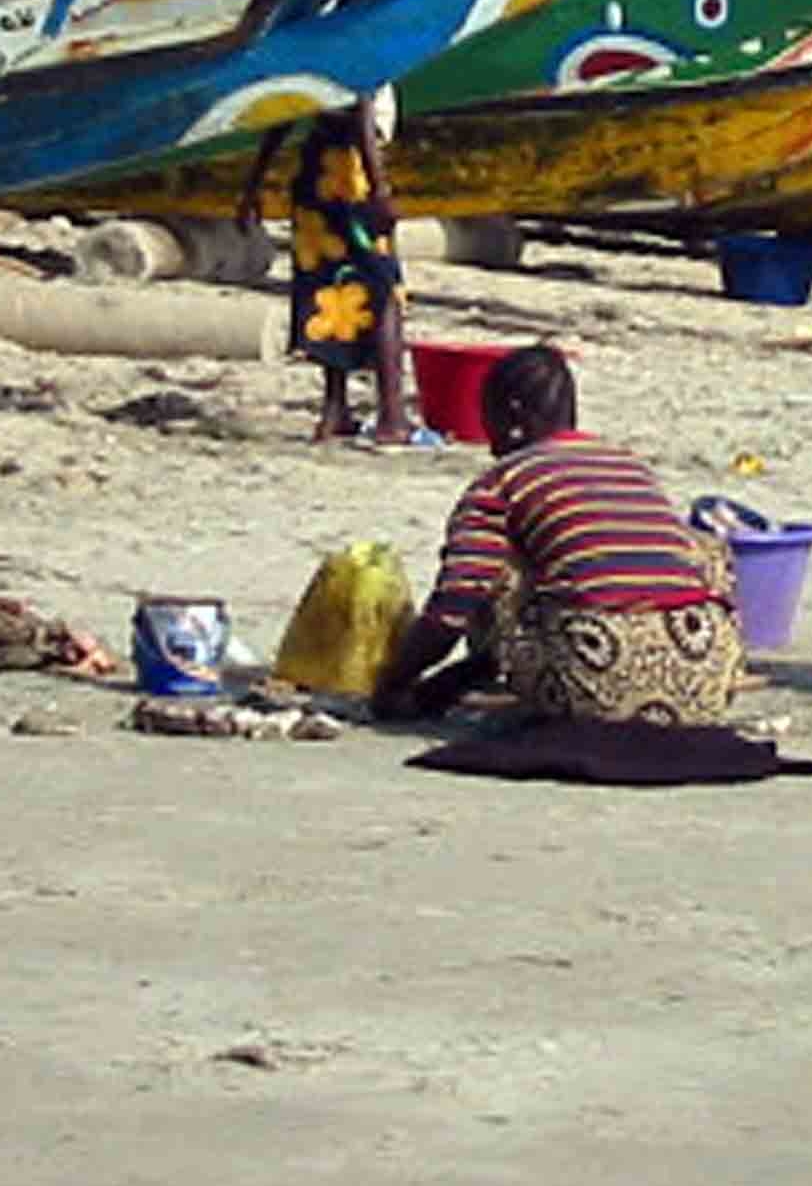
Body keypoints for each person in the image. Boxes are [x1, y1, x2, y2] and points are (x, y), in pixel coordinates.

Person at [373, 345, 745, 727]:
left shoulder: (502, 483)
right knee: (702, 550)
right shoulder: (629, 466)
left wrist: (393, 685)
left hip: (599, 679)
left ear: (512, 413)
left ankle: (527, 676)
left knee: (497, 569)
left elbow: (455, 605)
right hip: (703, 682)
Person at [239, 94, 420, 444]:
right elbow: (363, 104)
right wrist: (379, 188)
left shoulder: (308, 44)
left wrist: (254, 182)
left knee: (328, 290)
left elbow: (284, 108)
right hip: (351, 173)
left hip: (314, 171)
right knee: (383, 291)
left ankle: (335, 410)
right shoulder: (365, 40)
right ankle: (391, 415)